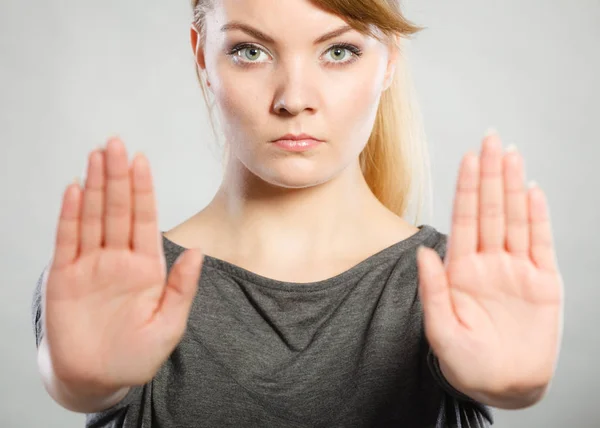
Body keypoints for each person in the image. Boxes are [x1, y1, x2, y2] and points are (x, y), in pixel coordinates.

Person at [31, 0, 565, 427]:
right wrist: (82, 384)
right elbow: (88, 378)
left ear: (390, 61)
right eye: (250, 51)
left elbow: (497, 376)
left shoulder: (458, 286)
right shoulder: (117, 284)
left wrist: (511, 386)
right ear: (201, 55)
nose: (293, 99)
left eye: (338, 52)